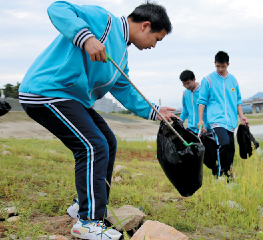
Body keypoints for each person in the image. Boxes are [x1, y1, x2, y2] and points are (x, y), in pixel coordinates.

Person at [18, 1, 174, 239]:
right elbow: (58, 8)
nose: (154, 46)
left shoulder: (121, 55)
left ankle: (83, 205)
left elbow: (127, 91)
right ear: (145, 26)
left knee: (108, 142)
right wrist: (86, 38)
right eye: (157, 39)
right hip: (47, 92)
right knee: (93, 145)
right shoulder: (104, 20)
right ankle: (88, 222)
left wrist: (155, 111)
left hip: (72, 99)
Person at [198, 51, 247, 178]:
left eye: (223, 66)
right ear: (215, 64)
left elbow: (238, 101)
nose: (220, 69)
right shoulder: (208, 80)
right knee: (224, 143)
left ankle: (228, 175)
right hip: (215, 119)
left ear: (228, 64)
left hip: (230, 120)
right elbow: (202, 101)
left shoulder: (233, 81)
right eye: (218, 66)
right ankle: (220, 174)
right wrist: (200, 120)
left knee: (231, 148)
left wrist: (241, 116)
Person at [179, 70, 207, 134]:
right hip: (191, 128)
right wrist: (180, 121)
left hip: (203, 128)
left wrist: (206, 126)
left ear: (194, 79)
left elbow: (210, 110)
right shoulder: (185, 93)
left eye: (188, 83)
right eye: (184, 84)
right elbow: (185, 109)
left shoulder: (203, 91)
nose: (186, 86)